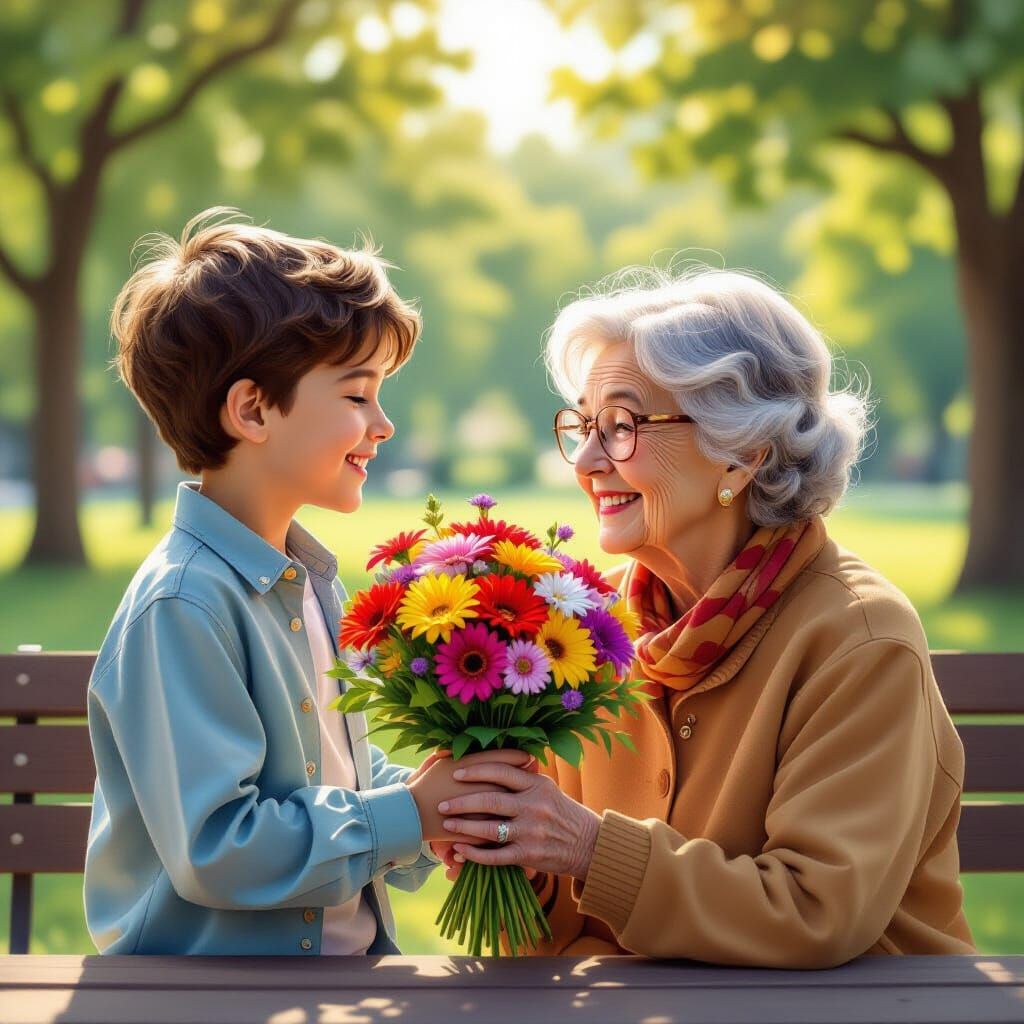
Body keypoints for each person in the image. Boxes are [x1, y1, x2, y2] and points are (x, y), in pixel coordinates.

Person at [434, 268, 977, 967]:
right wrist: (511, 856)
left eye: (624, 425)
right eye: (585, 426)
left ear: (743, 453)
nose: (589, 461)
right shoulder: (582, 634)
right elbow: (559, 932)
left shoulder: (860, 638)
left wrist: (589, 847)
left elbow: (816, 912)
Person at [83, 209, 525, 955]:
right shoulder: (186, 604)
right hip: (205, 996)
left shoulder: (310, 583)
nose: (382, 424)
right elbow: (220, 846)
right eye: (358, 396)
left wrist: (441, 800)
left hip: (328, 977)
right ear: (253, 409)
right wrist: (406, 816)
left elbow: (332, 768)